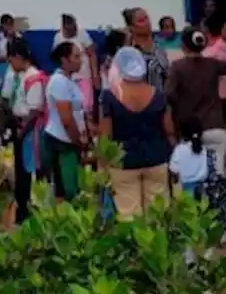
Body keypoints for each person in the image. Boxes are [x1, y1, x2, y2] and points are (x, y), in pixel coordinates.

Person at [100, 47, 173, 218]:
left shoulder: (109, 97)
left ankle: (133, 244)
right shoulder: (159, 95)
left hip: (123, 163)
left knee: (129, 216)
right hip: (156, 158)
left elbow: (106, 136)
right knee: (157, 215)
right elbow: (169, 129)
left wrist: (102, 165)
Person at [166, 28, 226, 176]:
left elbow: (169, 95)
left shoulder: (177, 67)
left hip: (189, 130)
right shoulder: (212, 64)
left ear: (183, 46)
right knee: (216, 177)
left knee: (193, 177)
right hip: (216, 127)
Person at [0, 39, 46, 223]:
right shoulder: (20, 76)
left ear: (18, 57)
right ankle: (22, 207)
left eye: (11, 60)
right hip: (19, 126)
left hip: (29, 131)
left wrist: (20, 133)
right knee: (20, 172)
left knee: (29, 170)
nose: (10, 64)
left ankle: (30, 209)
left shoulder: (33, 78)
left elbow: (34, 111)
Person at [44, 40, 89, 200]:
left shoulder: (69, 81)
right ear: (64, 60)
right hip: (62, 141)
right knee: (67, 190)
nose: (81, 60)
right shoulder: (59, 82)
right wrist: (78, 141)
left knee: (74, 186)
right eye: (76, 56)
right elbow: (67, 119)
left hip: (70, 140)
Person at [56, 14, 97, 116]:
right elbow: (57, 58)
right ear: (63, 27)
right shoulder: (58, 37)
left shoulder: (83, 34)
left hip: (84, 76)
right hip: (68, 78)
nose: (72, 31)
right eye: (68, 29)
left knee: (86, 107)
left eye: (74, 28)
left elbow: (92, 55)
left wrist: (95, 75)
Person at [123, 8, 169, 94]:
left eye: (146, 18)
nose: (147, 23)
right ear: (131, 27)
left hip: (160, 100)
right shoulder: (129, 53)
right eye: (141, 21)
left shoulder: (159, 48)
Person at [169, 117, 209, 194]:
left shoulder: (179, 149)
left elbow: (173, 168)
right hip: (202, 187)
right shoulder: (203, 148)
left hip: (187, 188)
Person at [0, 14, 21, 91]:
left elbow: (21, 53)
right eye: (7, 24)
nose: (9, 27)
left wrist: (11, 39)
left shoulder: (18, 37)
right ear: (2, 25)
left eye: (11, 24)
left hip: (15, 66)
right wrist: (6, 58)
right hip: (2, 66)